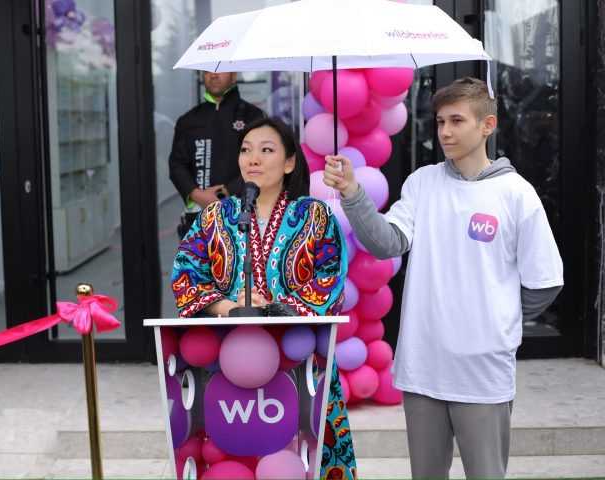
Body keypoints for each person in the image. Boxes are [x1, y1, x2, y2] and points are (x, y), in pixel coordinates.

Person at [323, 77, 563, 479]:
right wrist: (351, 191)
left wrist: (497, 320)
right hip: (422, 367)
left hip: (483, 373)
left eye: (457, 121)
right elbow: (386, 243)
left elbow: (545, 282)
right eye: (440, 122)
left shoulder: (517, 194)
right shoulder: (422, 183)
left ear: (487, 125)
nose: (445, 131)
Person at [171, 117, 357, 479]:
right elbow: (185, 274)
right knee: (233, 455)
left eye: (266, 150)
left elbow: (330, 277)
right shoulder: (216, 215)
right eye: (246, 150)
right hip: (229, 359)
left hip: (300, 358)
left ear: (289, 162)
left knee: (305, 456)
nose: (252, 158)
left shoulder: (314, 214)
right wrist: (229, 307)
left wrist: (274, 311)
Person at [168, 71, 265, 238]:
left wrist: (226, 191)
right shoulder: (188, 120)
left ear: (234, 75)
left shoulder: (254, 117)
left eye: (220, 69)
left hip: (243, 217)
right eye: (207, 70)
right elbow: (177, 165)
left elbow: (262, 164)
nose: (213, 75)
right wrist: (197, 195)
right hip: (198, 219)